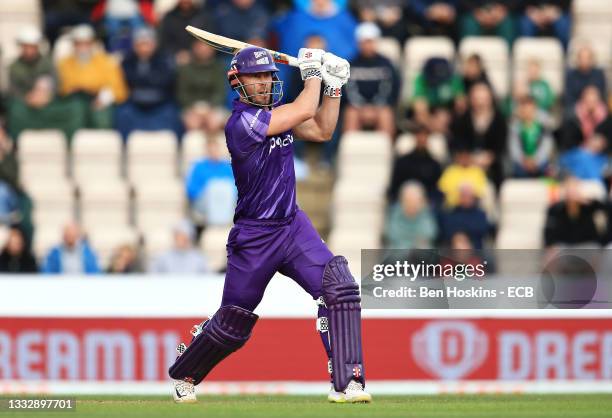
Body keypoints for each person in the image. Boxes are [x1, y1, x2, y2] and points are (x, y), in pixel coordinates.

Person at [168, 46, 371, 404]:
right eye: (256, 76)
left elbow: (322, 129)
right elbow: (306, 107)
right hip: (256, 236)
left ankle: (348, 382)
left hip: (292, 226)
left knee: (339, 287)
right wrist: (312, 74)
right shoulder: (241, 124)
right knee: (233, 324)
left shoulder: (278, 113)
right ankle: (188, 368)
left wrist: (335, 87)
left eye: (268, 76)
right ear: (238, 82)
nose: (264, 82)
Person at [114, 27, 182, 139]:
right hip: (135, 103)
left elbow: (166, 82)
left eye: (147, 44)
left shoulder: (164, 59)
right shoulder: (127, 61)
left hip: (161, 102)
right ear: (135, 46)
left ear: (154, 45)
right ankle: (125, 148)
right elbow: (129, 82)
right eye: (141, 44)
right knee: (123, 113)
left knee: (173, 113)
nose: (144, 48)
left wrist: (145, 80)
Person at [57, 24, 128, 132]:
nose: (82, 47)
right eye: (78, 43)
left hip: (99, 100)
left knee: (102, 118)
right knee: (75, 112)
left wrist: (104, 98)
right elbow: (61, 87)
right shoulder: (64, 63)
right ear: (73, 45)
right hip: (74, 100)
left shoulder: (106, 62)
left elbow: (119, 89)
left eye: (86, 43)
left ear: (93, 44)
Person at [343, 23, 399, 139]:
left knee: (386, 115)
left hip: (381, 107)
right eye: (364, 42)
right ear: (359, 43)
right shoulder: (350, 64)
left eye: (370, 41)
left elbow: (391, 89)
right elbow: (347, 89)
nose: (367, 45)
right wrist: (361, 107)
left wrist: (375, 106)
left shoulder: (386, 64)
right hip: (356, 108)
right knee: (350, 114)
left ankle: (386, 152)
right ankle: (349, 153)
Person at [451, 82, 506, 188]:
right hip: (466, 163)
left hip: (493, 165)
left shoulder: (499, 120)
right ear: (471, 100)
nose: (480, 102)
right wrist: (470, 158)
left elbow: (501, 146)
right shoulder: (463, 119)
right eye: (477, 98)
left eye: (483, 98)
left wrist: (489, 158)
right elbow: (458, 142)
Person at [178, 40, 228, 135]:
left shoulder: (218, 68)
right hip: (191, 107)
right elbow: (182, 93)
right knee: (193, 123)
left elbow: (220, 92)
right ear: (194, 48)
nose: (203, 50)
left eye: (206, 47)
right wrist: (194, 108)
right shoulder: (185, 69)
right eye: (200, 47)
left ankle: (212, 147)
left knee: (214, 122)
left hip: (213, 106)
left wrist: (210, 108)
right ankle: (194, 148)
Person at [185, 137, 236, 230]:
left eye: (215, 149)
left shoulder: (228, 167)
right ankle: (217, 224)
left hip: (226, 200)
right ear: (207, 150)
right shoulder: (198, 167)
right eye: (211, 149)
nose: (213, 152)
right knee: (213, 189)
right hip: (204, 202)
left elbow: (237, 188)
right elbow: (191, 190)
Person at [544, 177, 608, 248]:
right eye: (569, 189)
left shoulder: (591, 206)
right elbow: (548, 232)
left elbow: (606, 211)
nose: (572, 192)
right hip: (564, 246)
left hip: (588, 245)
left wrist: (589, 201)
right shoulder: (556, 209)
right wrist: (549, 246)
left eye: (574, 189)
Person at [387, 124, 442, 204]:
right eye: (419, 135)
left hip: (426, 205)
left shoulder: (434, 164)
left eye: (424, 136)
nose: (421, 139)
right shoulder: (403, 162)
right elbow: (394, 187)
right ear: (415, 138)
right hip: (403, 204)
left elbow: (437, 188)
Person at [411, 57, 466, 134]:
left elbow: (461, 107)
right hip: (429, 124)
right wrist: (432, 123)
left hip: (450, 121)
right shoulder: (421, 80)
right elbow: (419, 109)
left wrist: (448, 120)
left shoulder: (454, 79)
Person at [509, 95, 553, 178]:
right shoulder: (515, 127)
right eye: (524, 110)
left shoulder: (543, 126)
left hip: (539, 161)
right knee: (516, 169)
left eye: (530, 109)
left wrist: (536, 160)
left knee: (547, 167)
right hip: (522, 162)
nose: (527, 113)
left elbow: (547, 145)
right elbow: (514, 147)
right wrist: (523, 160)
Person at [384, 181, 438, 249]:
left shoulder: (426, 214)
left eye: (416, 201)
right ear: (402, 200)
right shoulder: (395, 213)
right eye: (409, 200)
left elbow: (429, 233)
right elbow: (392, 234)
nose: (412, 204)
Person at [158, 0, 214, 65]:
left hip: (198, 53)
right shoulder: (169, 17)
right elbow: (164, 42)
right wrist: (178, 53)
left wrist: (196, 50)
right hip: (175, 56)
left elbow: (210, 37)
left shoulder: (203, 15)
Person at [438, 183, 490, 249]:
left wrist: (464, 235)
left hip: (476, 250)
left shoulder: (480, 214)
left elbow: (481, 230)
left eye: (469, 196)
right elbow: (447, 230)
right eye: (464, 195)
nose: (467, 198)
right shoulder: (452, 213)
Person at [565, 44, 607, 115]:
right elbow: (569, 97)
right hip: (577, 106)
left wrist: (592, 104)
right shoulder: (571, 75)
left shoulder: (599, 74)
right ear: (578, 59)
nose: (584, 60)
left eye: (587, 57)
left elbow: (603, 94)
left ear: (592, 59)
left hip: (596, 106)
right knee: (569, 113)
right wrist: (581, 106)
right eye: (582, 57)